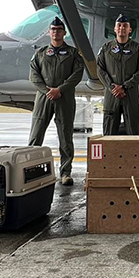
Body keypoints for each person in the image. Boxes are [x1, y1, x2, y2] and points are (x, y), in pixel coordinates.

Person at [28, 16, 85, 185]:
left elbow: (77, 74)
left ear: (64, 33)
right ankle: (30, 170)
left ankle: (65, 173)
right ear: (49, 32)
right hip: (44, 98)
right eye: (53, 30)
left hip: (64, 98)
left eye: (59, 30)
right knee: (36, 135)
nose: (56, 32)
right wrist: (48, 91)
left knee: (65, 137)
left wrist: (60, 90)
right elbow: (34, 76)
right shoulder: (40, 53)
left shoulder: (73, 53)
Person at [96, 14, 139, 135]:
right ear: (114, 29)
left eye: (125, 26)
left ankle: (134, 154)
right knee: (109, 132)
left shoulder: (137, 49)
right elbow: (100, 69)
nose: (121, 28)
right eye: (119, 25)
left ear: (130, 30)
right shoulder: (106, 48)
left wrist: (125, 86)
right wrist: (112, 87)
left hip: (129, 94)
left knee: (134, 132)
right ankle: (108, 155)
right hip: (111, 94)